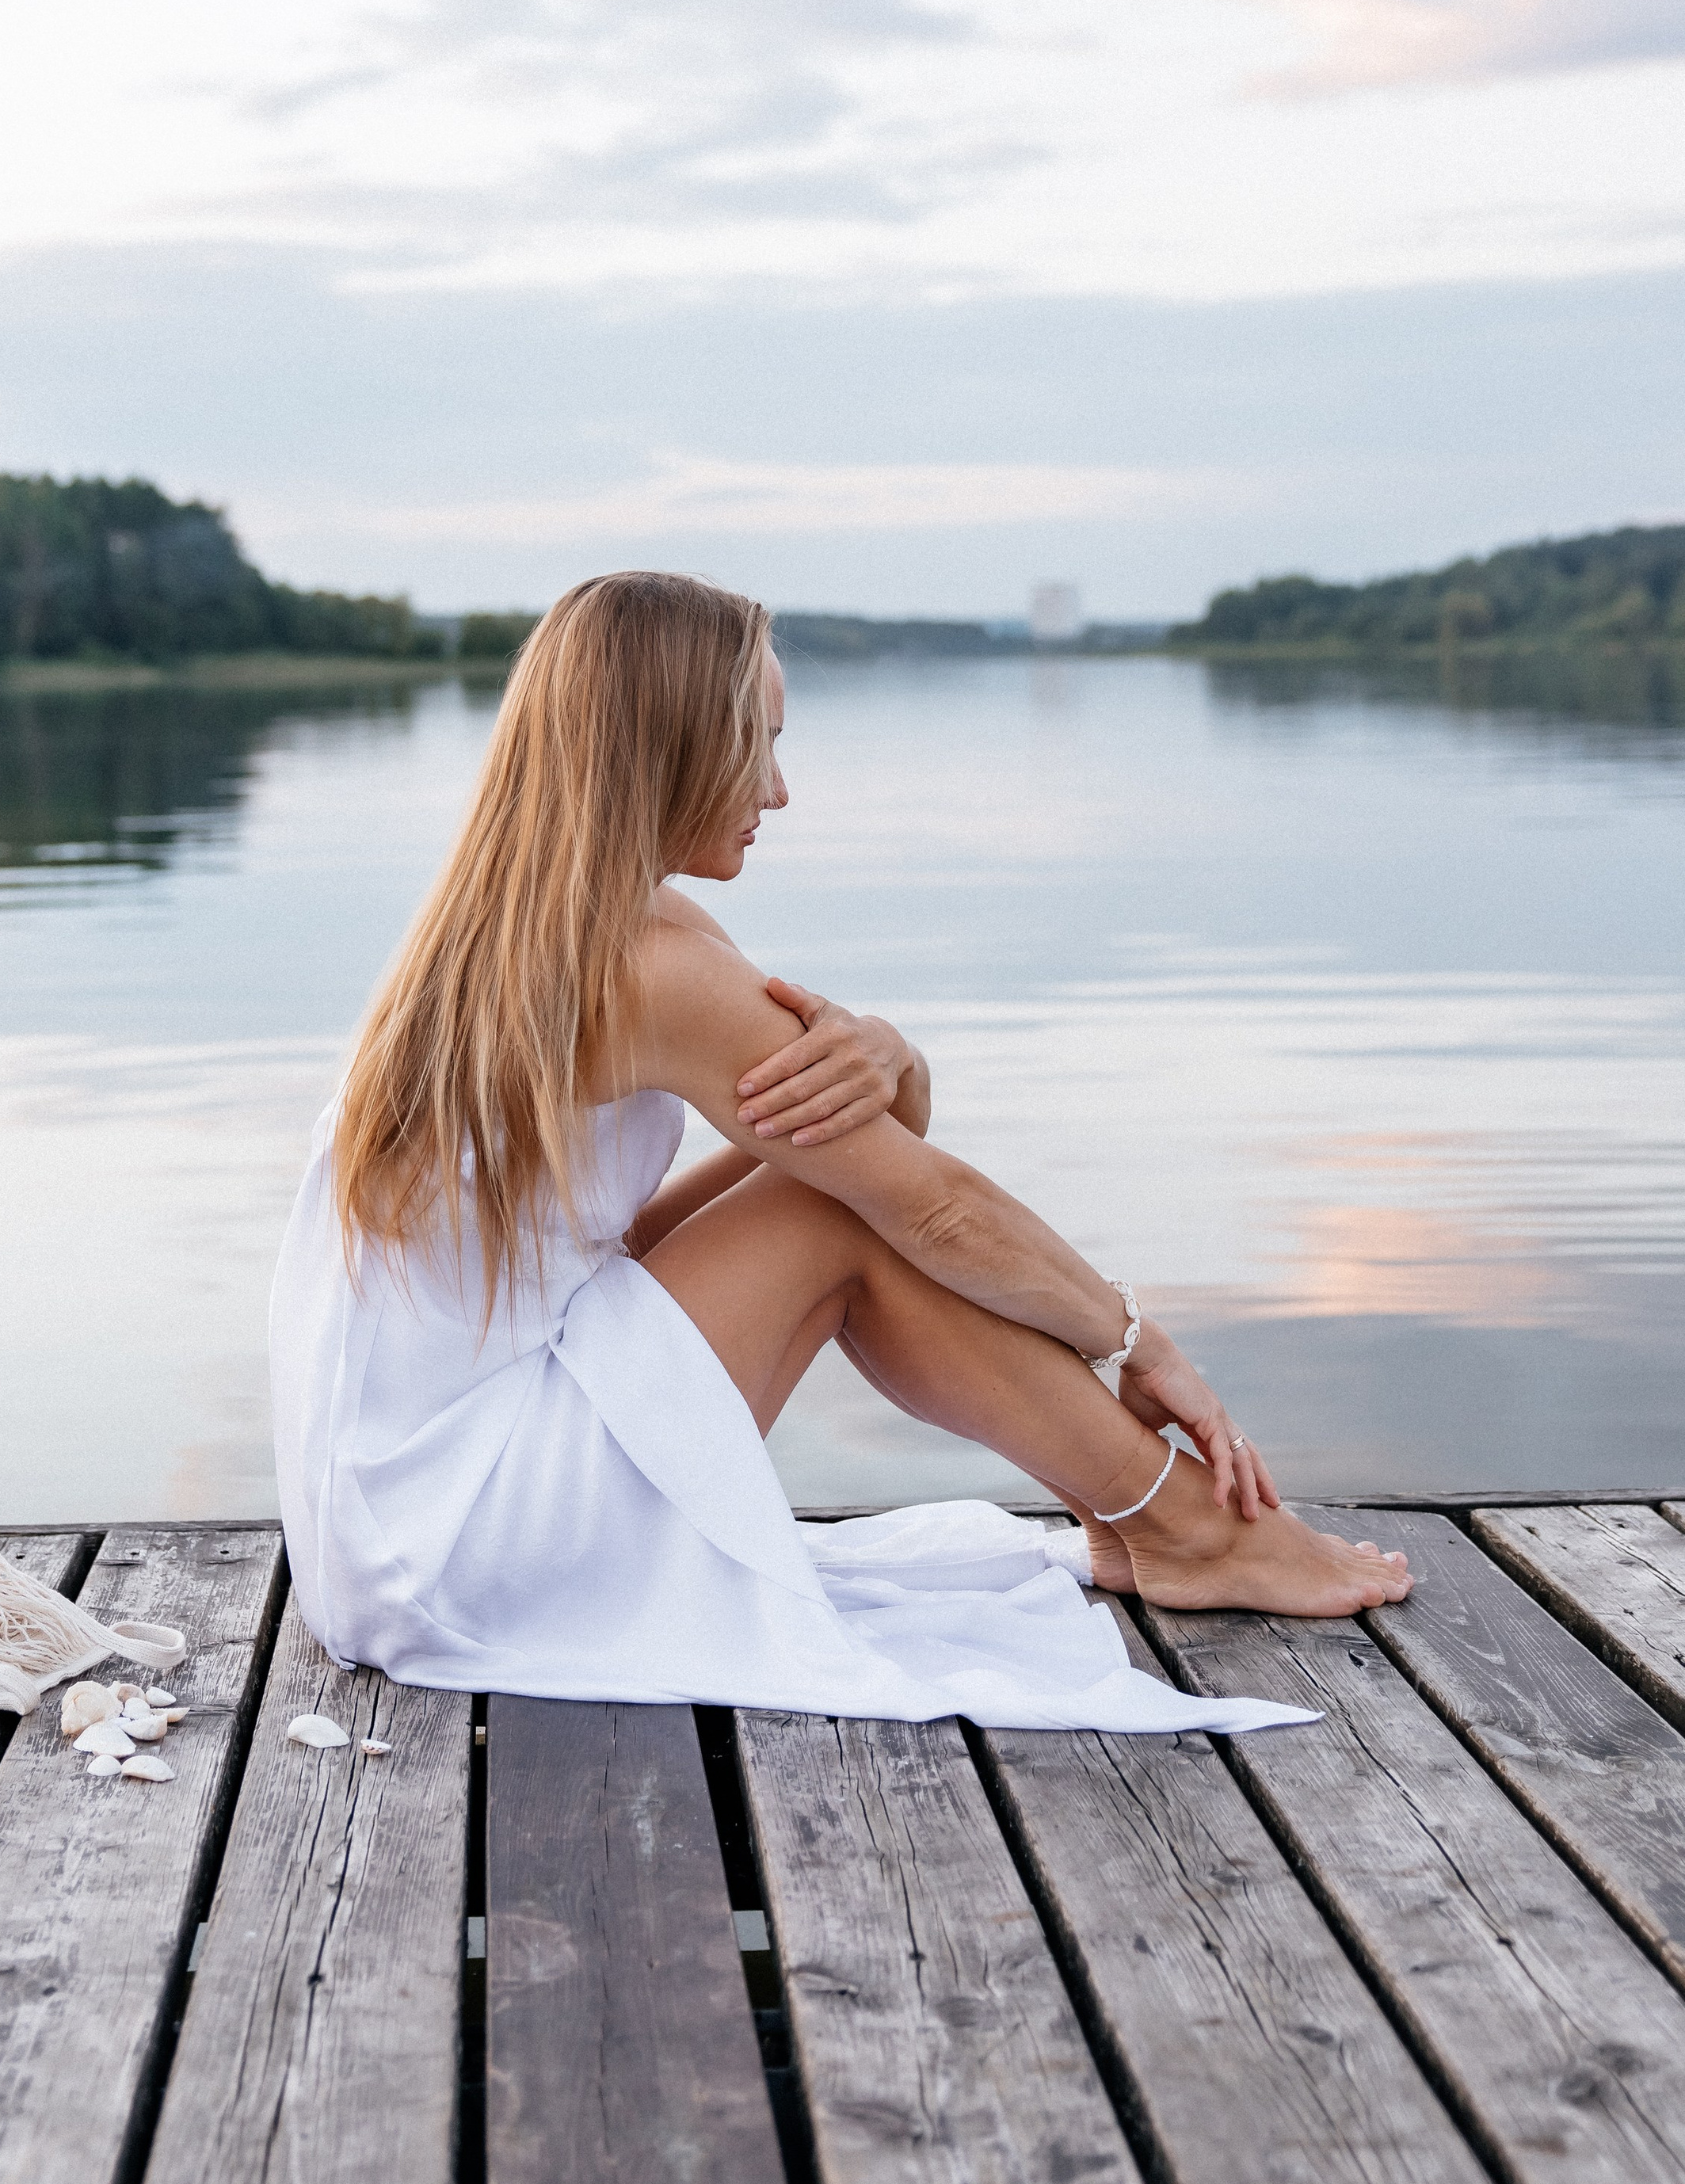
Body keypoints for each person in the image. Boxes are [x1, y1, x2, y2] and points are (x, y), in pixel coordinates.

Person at [271, 571, 1410, 1734]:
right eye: (757, 744)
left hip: (390, 1526)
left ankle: (1142, 1519)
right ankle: (1185, 1527)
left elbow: (707, 1214)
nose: (779, 788)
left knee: (833, 1201)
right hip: (459, 1546)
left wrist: (895, 1062)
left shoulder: (532, 934)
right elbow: (931, 1207)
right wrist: (1135, 1339)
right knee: (840, 1213)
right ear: (668, 749)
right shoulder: (648, 969)